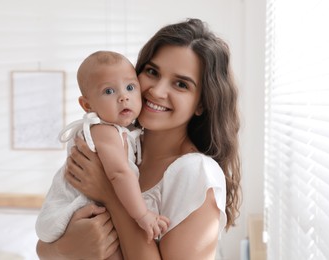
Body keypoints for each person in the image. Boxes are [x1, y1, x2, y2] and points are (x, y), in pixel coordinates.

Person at [36, 18, 241, 260]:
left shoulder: (196, 175)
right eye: (152, 72)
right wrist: (66, 247)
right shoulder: (116, 145)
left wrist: (110, 195)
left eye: (181, 84)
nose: (156, 90)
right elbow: (44, 245)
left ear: (202, 103)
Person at [35, 51, 170, 252]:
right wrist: (143, 215)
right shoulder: (103, 130)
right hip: (78, 207)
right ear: (87, 105)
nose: (123, 97)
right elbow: (119, 174)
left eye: (130, 87)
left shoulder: (124, 132)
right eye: (109, 91)